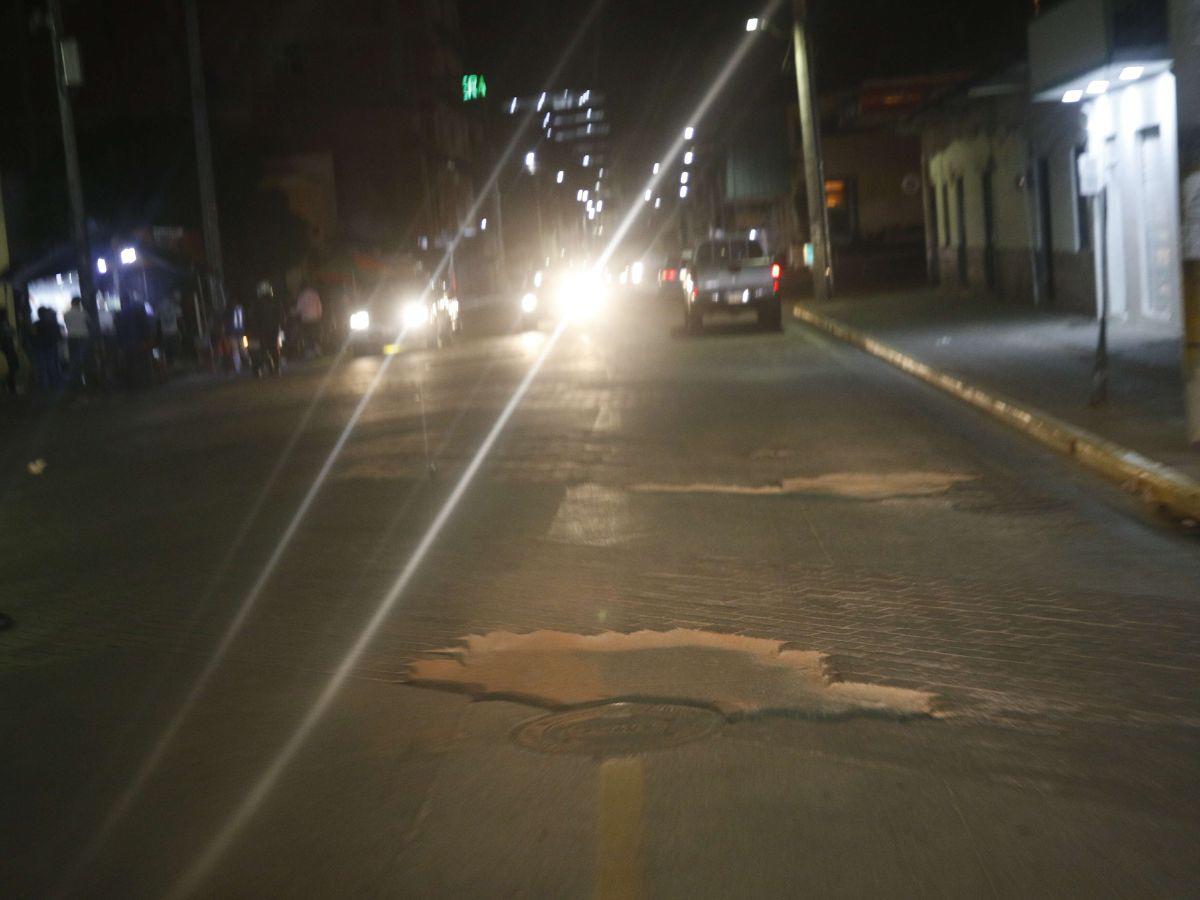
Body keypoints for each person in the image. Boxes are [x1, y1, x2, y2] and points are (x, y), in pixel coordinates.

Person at [249, 281, 283, 376]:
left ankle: (265, 368)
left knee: (263, 350)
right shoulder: (275, 301)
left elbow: (252, 318)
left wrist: (254, 330)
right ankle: (275, 368)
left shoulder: (256, 303)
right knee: (273, 349)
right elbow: (280, 316)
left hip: (262, 331)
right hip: (273, 330)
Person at [63, 296, 94, 386]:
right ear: (79, 303)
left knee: (74, 359)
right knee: (84, 358)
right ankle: (87, 378)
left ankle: (76, 379)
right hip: (83, 337)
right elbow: (89, 324)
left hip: (72, 337)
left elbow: (66, 324)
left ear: (71, 303)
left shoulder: (66, 314)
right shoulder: (83, 313)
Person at [30, 306, 63, 390]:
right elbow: (58, 335)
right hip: (50, 345)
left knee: (42, 365)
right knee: (51, 364)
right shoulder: (53, 323)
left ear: (38, 314)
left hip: (39, 347)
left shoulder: (35, 324)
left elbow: (32, 335)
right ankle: (53, 383)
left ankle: (44, 384)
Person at [294, 283, 323, 357]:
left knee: (308, 335)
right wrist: (319, 314)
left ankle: (310, 352)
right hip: (315, 317)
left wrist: (293, 312)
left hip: (306, 319)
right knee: (315, 334)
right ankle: (318, 349)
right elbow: (319, 304)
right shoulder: (314, 293)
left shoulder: (302, 295)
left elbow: (299, 308)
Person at [158, 292, 182, 367]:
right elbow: (179, 316)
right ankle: (174, 363)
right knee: (174, 348)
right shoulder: (174, 305)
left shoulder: (160, 305)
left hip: (165, 331)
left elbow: (156, 318)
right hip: (173, 330)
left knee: (167, 349)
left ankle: (168, 364)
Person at [0, 316, 20, 395]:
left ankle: (9, 386)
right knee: (11, 368)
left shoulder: (5, 327)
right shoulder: (5, 327)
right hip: (8, 350)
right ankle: (11, 387)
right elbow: (13, 332)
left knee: (10, 369)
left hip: (6, 350)